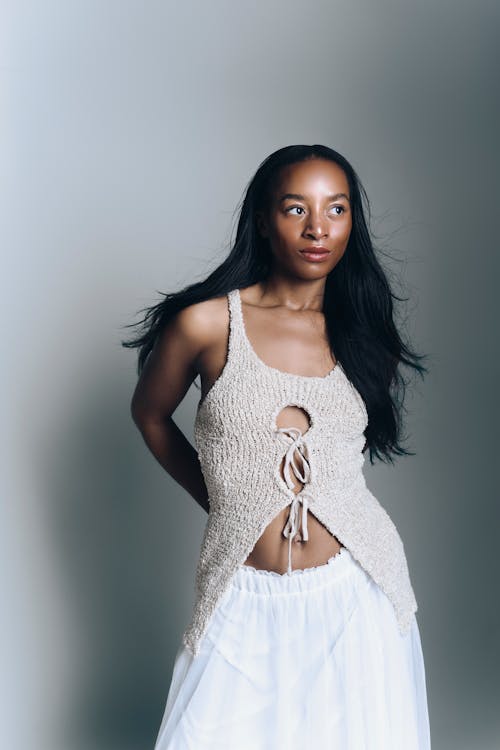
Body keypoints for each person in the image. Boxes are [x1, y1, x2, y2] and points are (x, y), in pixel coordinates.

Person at [122, 144, 432, 749]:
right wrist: (226, 501)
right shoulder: (206, 323)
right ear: (263, 220)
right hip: (243, 590)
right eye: (296, 209)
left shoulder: (365, 335)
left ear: (352, 223)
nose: (318, 228)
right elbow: (150, 415)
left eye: (336, 209)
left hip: (357, 591)